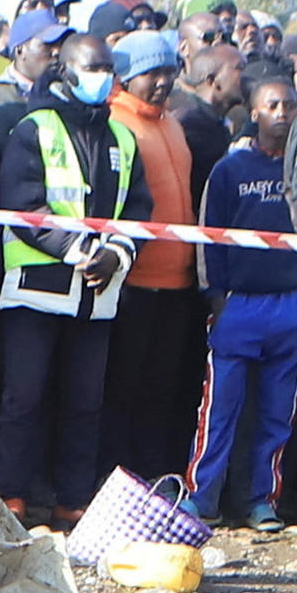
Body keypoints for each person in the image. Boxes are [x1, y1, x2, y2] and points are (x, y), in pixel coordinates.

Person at [0, 24, 137, 518]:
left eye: (109, 69)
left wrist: (117, 253)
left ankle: (74, 501)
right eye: (93, 68)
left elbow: (137, 210)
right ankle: (12, 495)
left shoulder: (123, 138)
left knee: (84, 403)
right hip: (37, 288)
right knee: (23, 399)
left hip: (98, 294)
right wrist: (80, 249)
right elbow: (25, 208)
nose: (103, 78)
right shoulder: (36, 128)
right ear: (67, 71)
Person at [194, 72, 297, 528]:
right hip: (238, 306)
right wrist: (216, 296)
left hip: (290, 305)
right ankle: (203, 497)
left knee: (277, 415)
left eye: (290, 105)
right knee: (219, 411)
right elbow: (208, 236)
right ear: (255, 112)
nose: (282, 114)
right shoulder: (230, 170)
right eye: (272, 106)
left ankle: (262, 500)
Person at [100, 28, 216, 484]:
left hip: (178, 284)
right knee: (123, 391)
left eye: (169, 72)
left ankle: (153, 481)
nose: (162, 82)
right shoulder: (116, 122)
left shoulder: (172, 123)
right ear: (126, 77)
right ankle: (117, 483)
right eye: (151, 73)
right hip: (133, 282)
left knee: (161, 392)